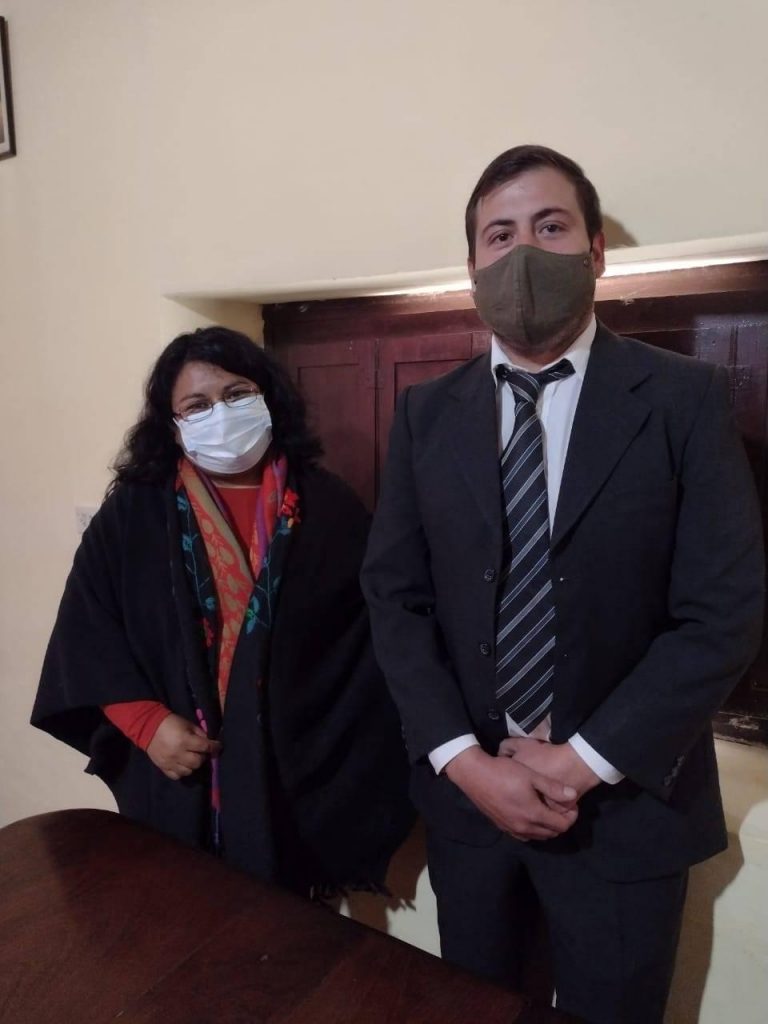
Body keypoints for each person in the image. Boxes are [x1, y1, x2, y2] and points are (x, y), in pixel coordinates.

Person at [361, 145, 764, 1023]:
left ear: (595, 253)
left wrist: (581, 764)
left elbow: (722, 614)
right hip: (471, 813)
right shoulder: (426, 414)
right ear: (472, 265)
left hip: (626, 813)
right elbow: (395, 600)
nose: (523, 253)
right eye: (499, 235)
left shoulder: (686, 399)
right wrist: (465, 763)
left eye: (549, 227)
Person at [33, 326, 414, 896]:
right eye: (197, 405)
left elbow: (367, 644)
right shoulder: (134, 513)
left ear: (268, 398)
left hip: (295, 778)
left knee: (281, 931)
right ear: (172, 425)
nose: (221, 413)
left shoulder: (329, 507)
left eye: (237, 394)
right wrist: (146, 725)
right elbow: (89, 630)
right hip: (176, 769)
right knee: (177, 922)